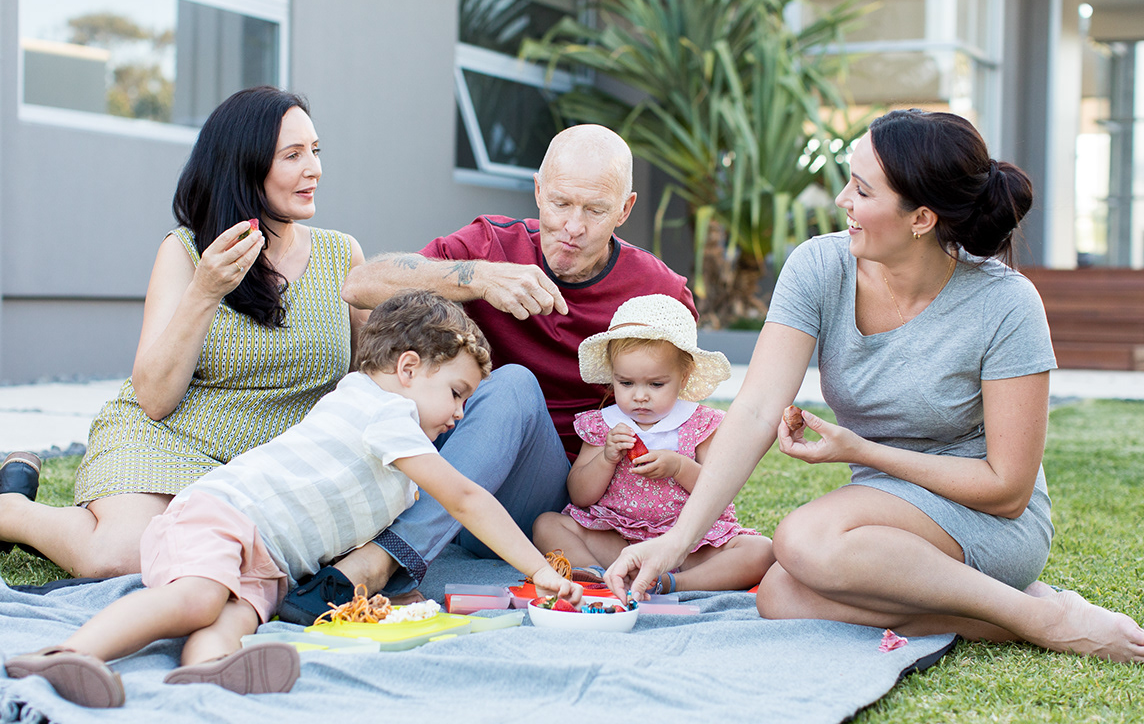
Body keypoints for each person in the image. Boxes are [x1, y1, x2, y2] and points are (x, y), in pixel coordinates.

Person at [605, 109, 1144, 667]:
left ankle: (1047, 621)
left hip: (988, 521)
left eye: (862, 189)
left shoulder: (1007, 304)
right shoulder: (819, 269)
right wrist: (676, 541)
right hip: (878, 531)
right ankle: (1011, 614)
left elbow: (1008, 488)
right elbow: (754, 410)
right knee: (780, 596)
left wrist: (860, 451)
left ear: (921, 218)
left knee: (801, 538)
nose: (842, 201)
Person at [4, 291, 583, 708]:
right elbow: (463, 497)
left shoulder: (394, 437)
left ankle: (205, 673)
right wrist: (536, 569)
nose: (460, 415)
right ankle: (67, 655)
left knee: (236, 614)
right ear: (408, 369)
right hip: (221, 517)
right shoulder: (384, 412)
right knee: (200, 597)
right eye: (456, 393)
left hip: (268, 558)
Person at [279, 124, 695, 623]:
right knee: (509, 384)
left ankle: (380, 560)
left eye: (595, 210)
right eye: (560, 203)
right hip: (450, 469)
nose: (573, 226)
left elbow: (684, 419)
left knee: (516, 383)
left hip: (554, 504)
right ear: (538, 189)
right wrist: (478, 278)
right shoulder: (492, 246)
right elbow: (361, 285)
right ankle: (384, 547)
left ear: (625, 210)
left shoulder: (660, 292)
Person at [0, 86, 367, 578]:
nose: (314, 169)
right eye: (293, 155)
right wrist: (204, 291)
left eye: (315, 151)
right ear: (245, 163)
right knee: (120, 556)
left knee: (221, 563)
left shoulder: (342, 256)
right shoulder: (186, 252)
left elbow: (367, 383)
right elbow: (154, 398)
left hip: (270, 470)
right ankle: (12, 511)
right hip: (168, 439)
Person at [532, 294, 773, 593]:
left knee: (761, 550)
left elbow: (719, 487)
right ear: (613, 377)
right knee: (547, 524)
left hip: (688, 545)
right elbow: (580, 495)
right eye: (626, 383)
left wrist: (679, 466)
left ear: (683, 377)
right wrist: (606, 458)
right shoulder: (604, 424)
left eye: (656, 384)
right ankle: (593, 573)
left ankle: (671, 582)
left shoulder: (699, 423)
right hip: (617, 537)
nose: (640, 396)